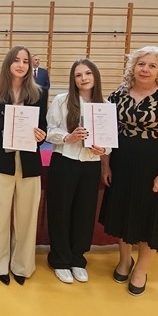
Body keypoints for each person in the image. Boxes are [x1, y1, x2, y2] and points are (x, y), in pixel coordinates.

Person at [99, 46, 158, 296]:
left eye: (152, 65)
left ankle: (141, 269)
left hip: (155, 166)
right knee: (122, 212)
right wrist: (106, 165)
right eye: (141, 64)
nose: (145, 69)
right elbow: (108, 134)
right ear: (133, 66)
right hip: (122, 164)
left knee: (150, 218)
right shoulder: (117, 95)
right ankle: (124, 260)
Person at [0, 45, 48, 286]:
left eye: (25, 61)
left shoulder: (39, 93)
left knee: (26, 217)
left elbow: (43, 128)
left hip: (29, 161)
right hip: (3, 159)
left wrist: (41, 135)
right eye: (16, 60)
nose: (21, 65)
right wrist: (9, 119)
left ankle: (22, 265)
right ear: (8, 63)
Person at [45, 58, 110, 284]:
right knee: (60, 211)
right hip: (65, 162)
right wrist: (68, 137)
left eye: (88, 73)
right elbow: (49, 131)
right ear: (73, 79)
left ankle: (77, 259)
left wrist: (103, 149)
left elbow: (110, 141)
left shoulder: (105, 105)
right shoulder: (62, 100)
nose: (84, 78)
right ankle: (60, 260)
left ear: (95, 76)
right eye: (78, 75)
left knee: (84, 212)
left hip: (90, 164)